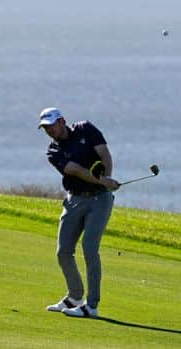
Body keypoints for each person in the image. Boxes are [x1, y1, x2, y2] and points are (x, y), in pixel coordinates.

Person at [38, 107, 120, 318]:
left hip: (99, 201)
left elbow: (104, 154)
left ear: (62, 121)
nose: (49, 131)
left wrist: (107, 180)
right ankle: (74, 296)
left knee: (89, 249)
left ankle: (91, 305)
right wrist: (103, 181)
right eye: (45, 129)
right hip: (74, 199)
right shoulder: (53, 151)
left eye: (51, 126)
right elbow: (75, 170)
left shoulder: (86, 129)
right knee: (63, 251)